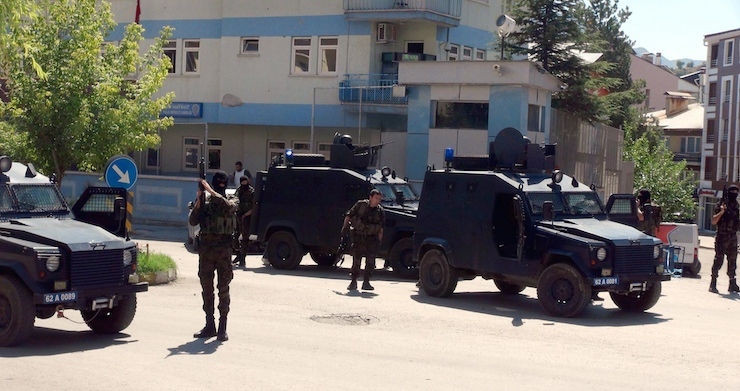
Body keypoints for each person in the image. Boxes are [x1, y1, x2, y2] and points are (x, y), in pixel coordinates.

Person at [188, 171, 238, 341]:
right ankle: (210, 325)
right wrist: (199, 200)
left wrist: (210, 190)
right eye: (218, 182)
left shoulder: (232, 199)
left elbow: (229, 207)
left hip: (224, 250)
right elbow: (193, 221)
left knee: (223, 288)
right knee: (207, 289)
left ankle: (223, 327)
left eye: (223, 181)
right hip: (206, 251)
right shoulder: (206, 201)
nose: (221, 183)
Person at [342, 189, 385, 291]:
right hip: (359, 237)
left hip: (372, 239)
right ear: (370, 197)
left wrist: (379, 241)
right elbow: (349, 215)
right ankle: (353, 281)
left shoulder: (380, 211)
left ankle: (366, 282)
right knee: (356, 260)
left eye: (379, 199)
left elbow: (381, 228)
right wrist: (344, 229)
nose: (378, 201)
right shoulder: (360, 205)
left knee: (370, 261)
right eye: (376, 198)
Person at [709, 184, 740, 294]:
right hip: (722, 237)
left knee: (732, 262)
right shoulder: (721, 205)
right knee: (718, 261)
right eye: (733, 192)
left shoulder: (736, 206)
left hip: (732, 238)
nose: (735, 194)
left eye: (736, 192)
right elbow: (713, 221)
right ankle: (713, 283)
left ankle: (732, 283)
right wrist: (722, 211)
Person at [232, 175, 254, 268]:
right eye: (242, 181)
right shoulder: (239, 190)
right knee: (234, 237)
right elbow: (234, 200)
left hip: (247, 217)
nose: (243, 183)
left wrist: (246, 215)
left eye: (245, 181)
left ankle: (242, 258)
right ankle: (238, 254)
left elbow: (254, 206)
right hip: (238, 216)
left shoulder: (251, 191)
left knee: (245, 239)